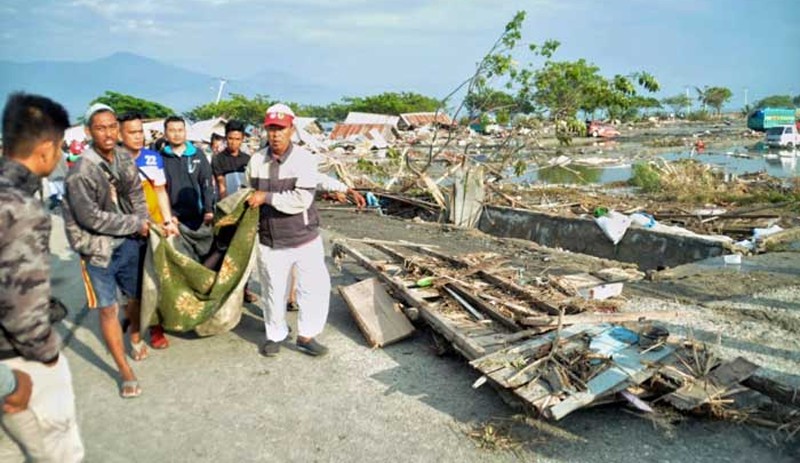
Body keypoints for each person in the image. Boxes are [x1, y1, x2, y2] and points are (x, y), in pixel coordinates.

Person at [0, 92, 84, 461]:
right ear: (47, 148)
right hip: (19, 361)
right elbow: (22, 307)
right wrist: (46, 359)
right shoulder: (21, 209)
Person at [246, 103, 348, 357]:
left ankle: (307, 335)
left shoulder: (304, 160)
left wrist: (266, 197)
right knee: (272, 290)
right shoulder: (256, 160)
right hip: (271, 238)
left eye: (280, 129)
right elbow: (249, 194)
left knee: (313, 288)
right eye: (271, 128)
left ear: (291, 129)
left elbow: (301, 200)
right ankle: (275, 334)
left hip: (304, 237)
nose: (275, 134)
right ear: (265, 130)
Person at [63, 103, 149, 399]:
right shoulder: (81, 171)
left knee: (136, 297)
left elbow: (137, 193)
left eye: (112, 126)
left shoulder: (124, 158)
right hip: (95, 249)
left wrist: (144, 221)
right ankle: (124, 370)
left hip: (126, 243)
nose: (109, 133)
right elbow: (91, 219)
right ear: (88, 132)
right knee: (108, 308)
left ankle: (135, 336)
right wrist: (135, 223)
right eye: (101, 128)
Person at [117, 112, 179, 355]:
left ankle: (155, 328)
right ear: (120, 135)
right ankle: (134, 327)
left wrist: (167, 221)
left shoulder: (153, 158)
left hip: (153, 230)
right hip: (126, 233)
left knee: (156, 280)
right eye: (132, 132)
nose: (138, 137)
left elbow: (160, 192)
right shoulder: (112, 162)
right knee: (132, 287)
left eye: (140, 131)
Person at [160, 116, 214, 231]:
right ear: (165, 133)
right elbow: (159, 190)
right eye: (172, 130)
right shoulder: (160, 157)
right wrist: (167, 216)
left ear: (185, 132)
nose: (177, 134)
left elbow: (207, 184)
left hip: (197, 216)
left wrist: (209, 209)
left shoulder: (198, 154)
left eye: (180, 130)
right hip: (171, 219)